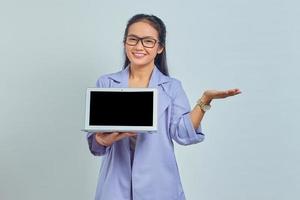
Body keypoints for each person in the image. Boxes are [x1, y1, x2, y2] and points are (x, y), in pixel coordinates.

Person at [86, 14, 241, 200]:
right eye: (133, 39)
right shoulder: (107, 83)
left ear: (159, 47)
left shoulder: (171, 87)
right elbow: (96, 145)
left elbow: (183, 134)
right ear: (125, 43)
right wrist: (104, 140)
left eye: (148, 41)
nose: (139, 46)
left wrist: (205, 100)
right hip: (115, 186)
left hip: (159, 185)